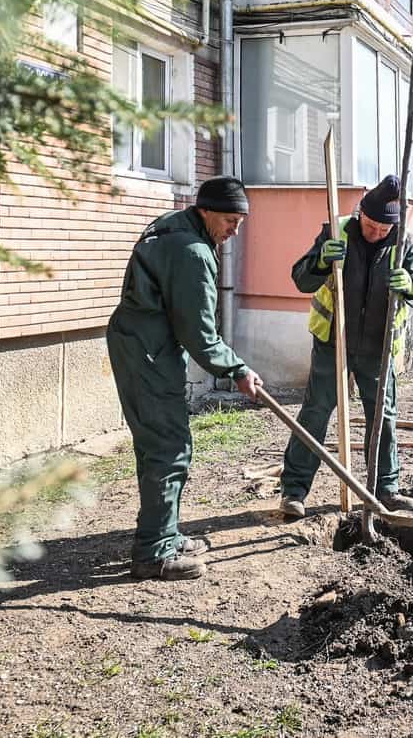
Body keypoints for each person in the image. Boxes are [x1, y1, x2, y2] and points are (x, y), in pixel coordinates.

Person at [106, 176, 263, 582]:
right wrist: (237, 370)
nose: (234, 230)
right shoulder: (192, 251)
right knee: (168, 446)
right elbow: (200, 333)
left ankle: (166, 534)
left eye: (240, 222)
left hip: (140, 342)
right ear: (206, 210)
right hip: (148, 352)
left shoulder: (174, 225)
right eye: (230, 220)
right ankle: (153, 553)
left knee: (159, 443)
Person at [278, 175, 413, 519]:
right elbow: (300, 277)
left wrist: (410, 283)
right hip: (333, 341)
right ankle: (293, 490)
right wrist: (321, 260)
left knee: (383, 417)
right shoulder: (336, 230)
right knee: (316, 412)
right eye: (370, 225)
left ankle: (385, 489)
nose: (375, 233)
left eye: (383, 229)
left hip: (378, 348)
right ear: (360, 213)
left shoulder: (404, 241)